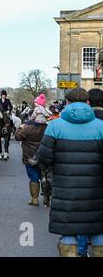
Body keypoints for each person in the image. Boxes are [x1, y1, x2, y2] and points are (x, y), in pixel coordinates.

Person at [37, 88, 103, 257]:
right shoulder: (101, 126)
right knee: (98, 233)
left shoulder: (54, 126)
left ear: (67, 103)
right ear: (87, 103)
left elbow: (44, 158)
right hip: (96, 192)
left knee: (68, 234)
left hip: (65, 191)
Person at [14, 118, 48, 207]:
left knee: (33, 177)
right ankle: (47, 198)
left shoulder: (27, 128)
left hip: (30, 156)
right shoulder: (48, 127)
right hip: (44, 156)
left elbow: (17, 137)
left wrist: (19, 128)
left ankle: (35, 199)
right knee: (45, 177)